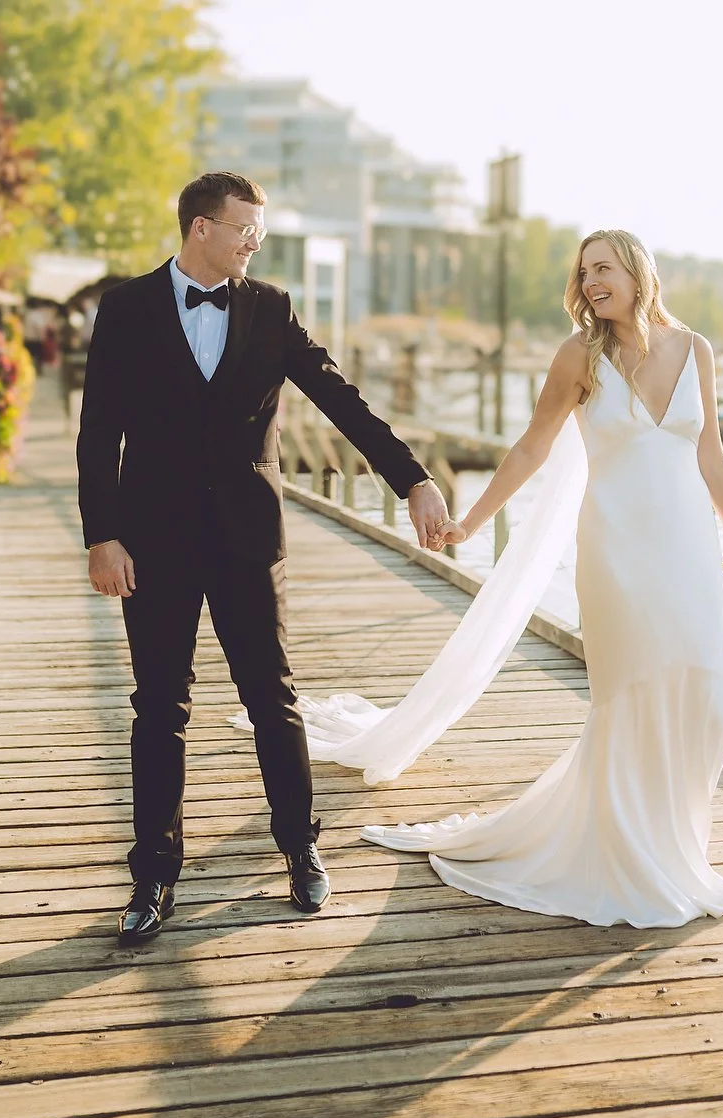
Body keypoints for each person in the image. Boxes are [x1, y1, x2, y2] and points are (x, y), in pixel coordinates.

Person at [297, 229, 723, 930]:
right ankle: (630, 854)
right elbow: (531, 448)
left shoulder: (695, 349)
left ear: (639, 271)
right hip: (618, 551)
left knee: (701, 684)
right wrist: (473, 521)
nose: (594, 282)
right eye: (586, 273)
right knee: (633, 691)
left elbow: (711, 455)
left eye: (604, 268)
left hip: (688, 552)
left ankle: (676, 843)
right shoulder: (579, 357)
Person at [76, 170, 449, 944]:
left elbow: (340, 398)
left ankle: (300, 847)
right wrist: (101, 534)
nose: (256, 240)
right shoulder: (126, 307)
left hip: (247, 539)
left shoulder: (270, 307)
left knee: (272, 699)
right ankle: (152, 875)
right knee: (159, 707)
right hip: (154, 540)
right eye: (245, 227)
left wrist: (411, 479)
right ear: (200, 229)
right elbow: (98, 430)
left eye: (260, 229)